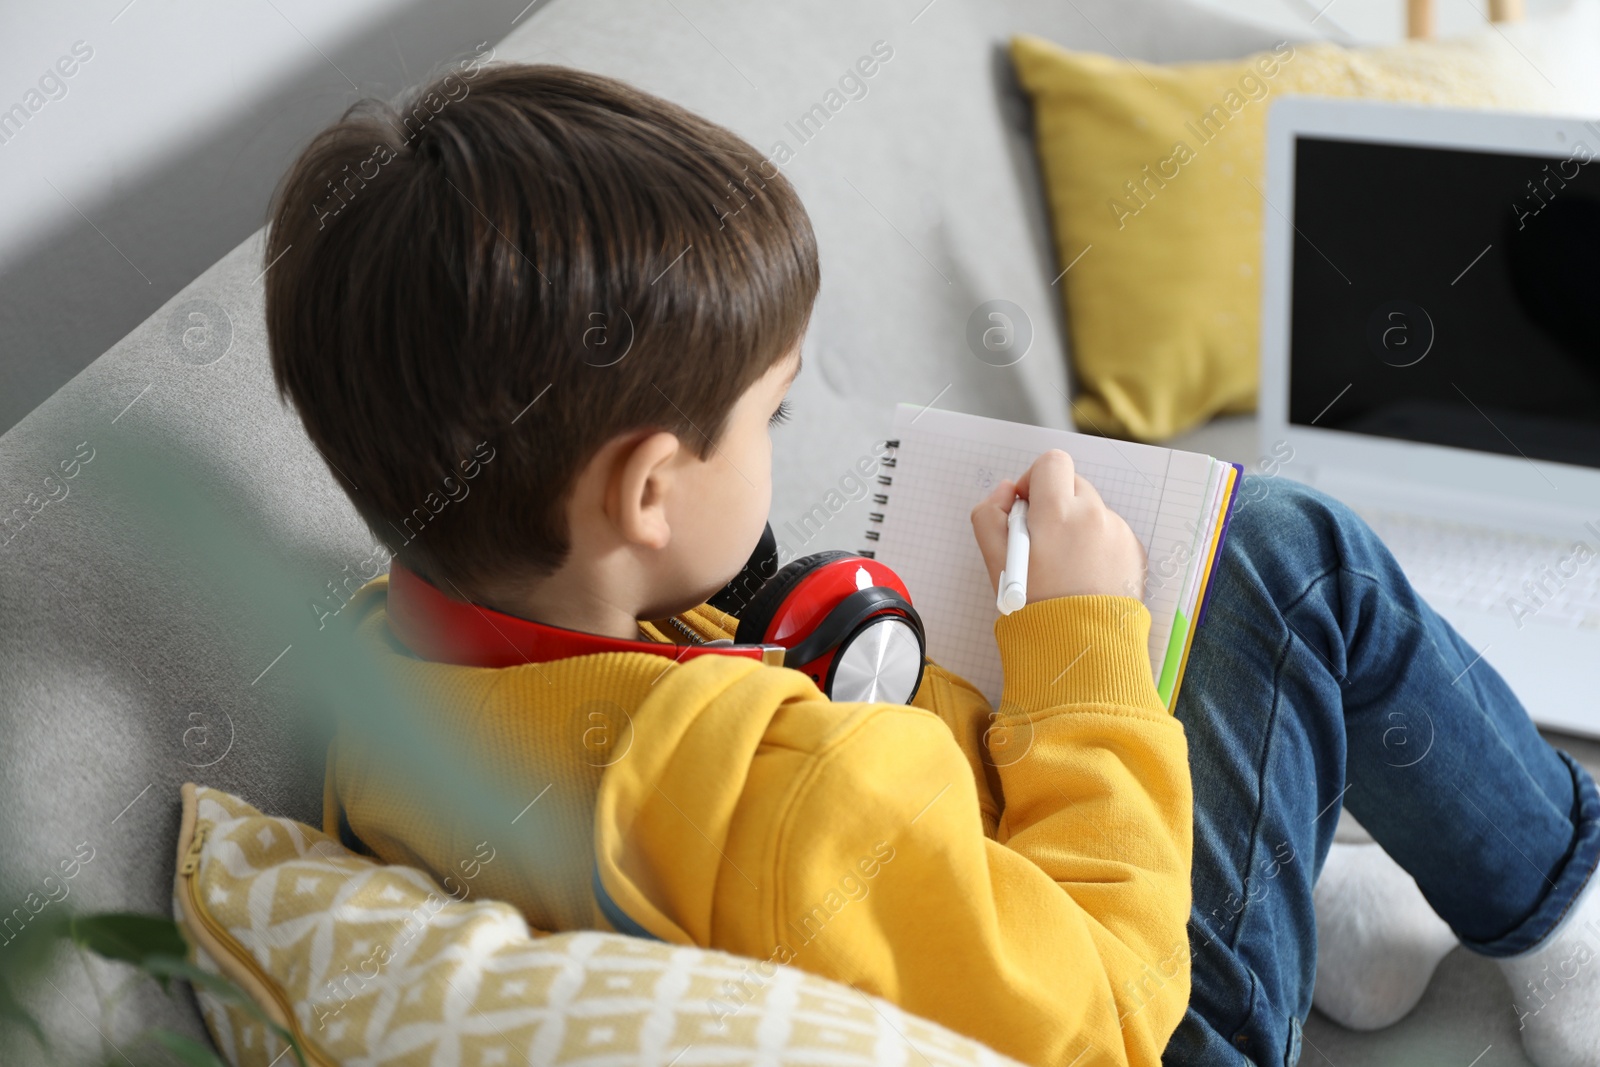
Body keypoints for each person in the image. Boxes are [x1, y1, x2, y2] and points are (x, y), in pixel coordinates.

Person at [262, 61, 1600, 1067]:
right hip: (1145, 1020)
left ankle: (1328, 920)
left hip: (951, 950)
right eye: (770, 416)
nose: (781, 445)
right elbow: (1116, 1006)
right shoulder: (800, 788)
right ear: (650, 489)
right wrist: (1079, 648)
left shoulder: (386, 682)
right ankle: (1563, 925)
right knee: (1286, 554)